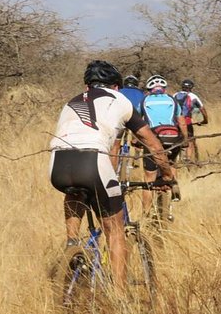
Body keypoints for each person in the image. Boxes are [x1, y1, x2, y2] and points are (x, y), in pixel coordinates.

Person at [49, 61, 175, 291]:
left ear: (87, 86)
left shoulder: (72, 101)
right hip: (92, 160)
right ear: (116, 86)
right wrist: (166, 175)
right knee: (115, 229)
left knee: (74, 190)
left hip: (58, 164)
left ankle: (72, 246)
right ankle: (120, 296)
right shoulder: (120, 100)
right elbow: (152, 143)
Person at [140, 75, 188, 214]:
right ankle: (173, 186)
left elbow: (138, 123)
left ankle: (146, 213)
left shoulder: (144, 100)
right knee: (171, 164)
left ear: (149, 90)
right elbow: (182, 122)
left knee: (149, 178)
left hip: (153, 140)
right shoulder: (173, 100)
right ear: (164, 89)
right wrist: (184, 140)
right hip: (172, 138)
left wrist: (136, 140)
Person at [173, 79, 209, 163]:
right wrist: (205, 120)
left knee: (176, 138)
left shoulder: (175, 95)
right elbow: (202, 109)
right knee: (190, 139)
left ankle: (175, 157)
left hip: (175, 121)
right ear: (191, 87)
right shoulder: (193, 96)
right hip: (186, 121)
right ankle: (188, 159)